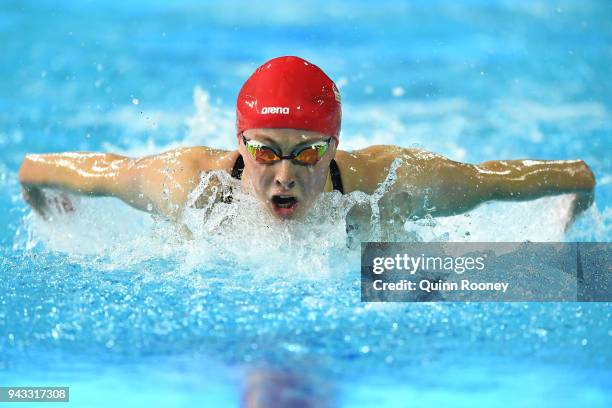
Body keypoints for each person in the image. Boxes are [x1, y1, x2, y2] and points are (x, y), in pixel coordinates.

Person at [18, 56, 596, 237]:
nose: (285, 175)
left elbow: (575, 176)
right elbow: (34, 168)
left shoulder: (394, 184)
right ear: (239, 144)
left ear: (336, 147)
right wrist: (59, 222)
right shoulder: (185, 185)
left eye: (309, 152)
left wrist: (565, 226)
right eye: (265, 151)